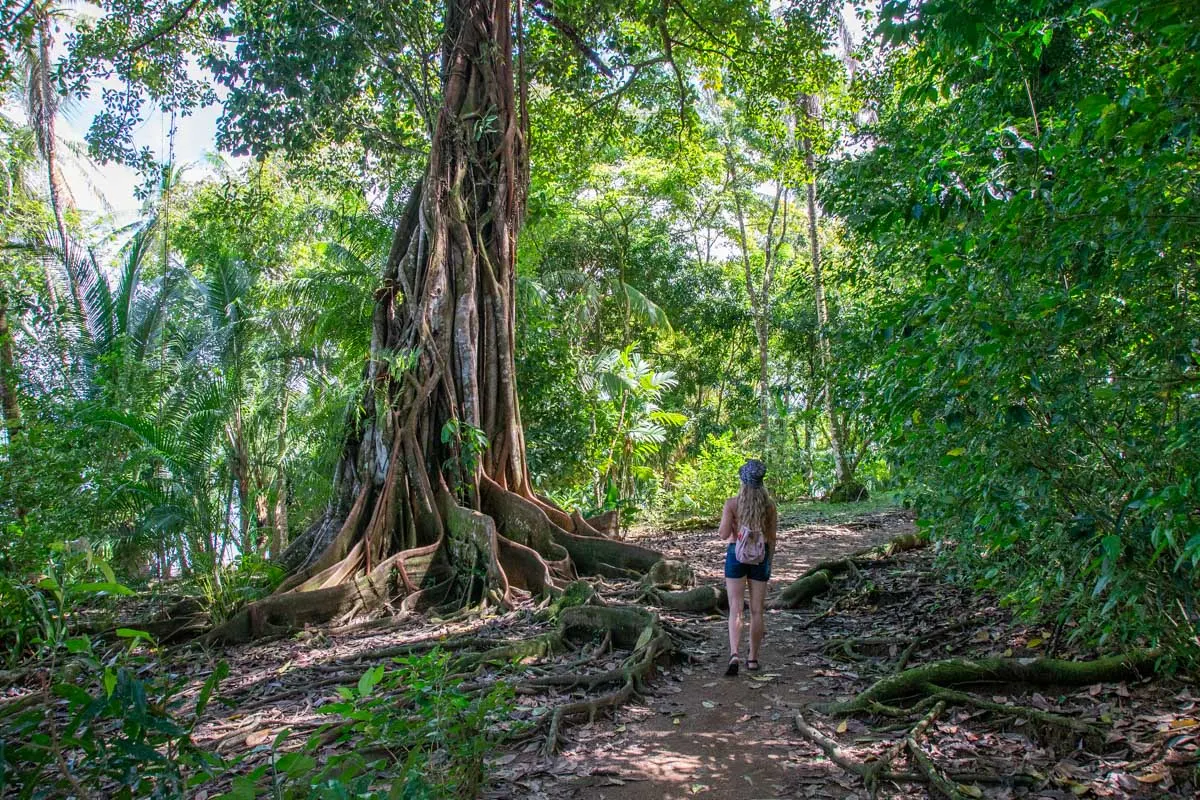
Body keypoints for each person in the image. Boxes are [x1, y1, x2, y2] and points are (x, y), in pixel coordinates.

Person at [718, 458, 778, 676]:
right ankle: (752, 659)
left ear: (742, 481)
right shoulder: (769, 506)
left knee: (735, 607)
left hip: (736, 555)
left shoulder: (732, 504)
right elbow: (772, 538)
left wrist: (732, 523)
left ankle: (734, 654)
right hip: (760, 558)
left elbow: (724, 534)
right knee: (756, 611)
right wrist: (768, 563)